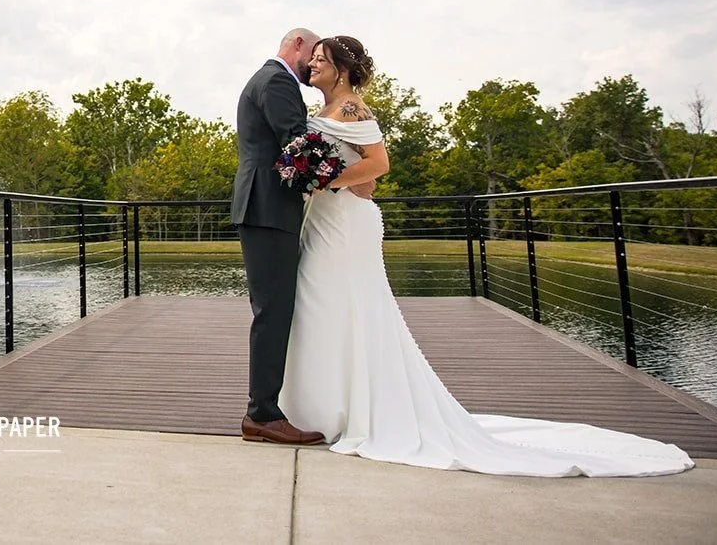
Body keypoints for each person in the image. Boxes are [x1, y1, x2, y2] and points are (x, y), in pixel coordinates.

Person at [279, 35, 693, 476]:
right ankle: (326, 406)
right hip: (325, 220)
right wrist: (322, 176)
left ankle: (354, 410)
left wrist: (328, 180)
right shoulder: (320, 112)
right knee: (323, 305)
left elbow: (379, 166)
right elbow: (352, 169)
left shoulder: (352, 108)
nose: (314, 66)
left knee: (348, 306)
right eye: (314, 59)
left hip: (345, 226)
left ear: (341, 69)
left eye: (321, 60)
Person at [230, 28, 327, 445]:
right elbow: (298, 145)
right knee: (273, 311)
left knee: (278, 308)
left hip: (268, 207)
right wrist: (340, 181)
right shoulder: (277, 81)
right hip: (267, 207)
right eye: (314, 55)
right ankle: (262, 414)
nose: (314, 66)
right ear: (298, 46)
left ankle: (269, 407)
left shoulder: (270, 79)